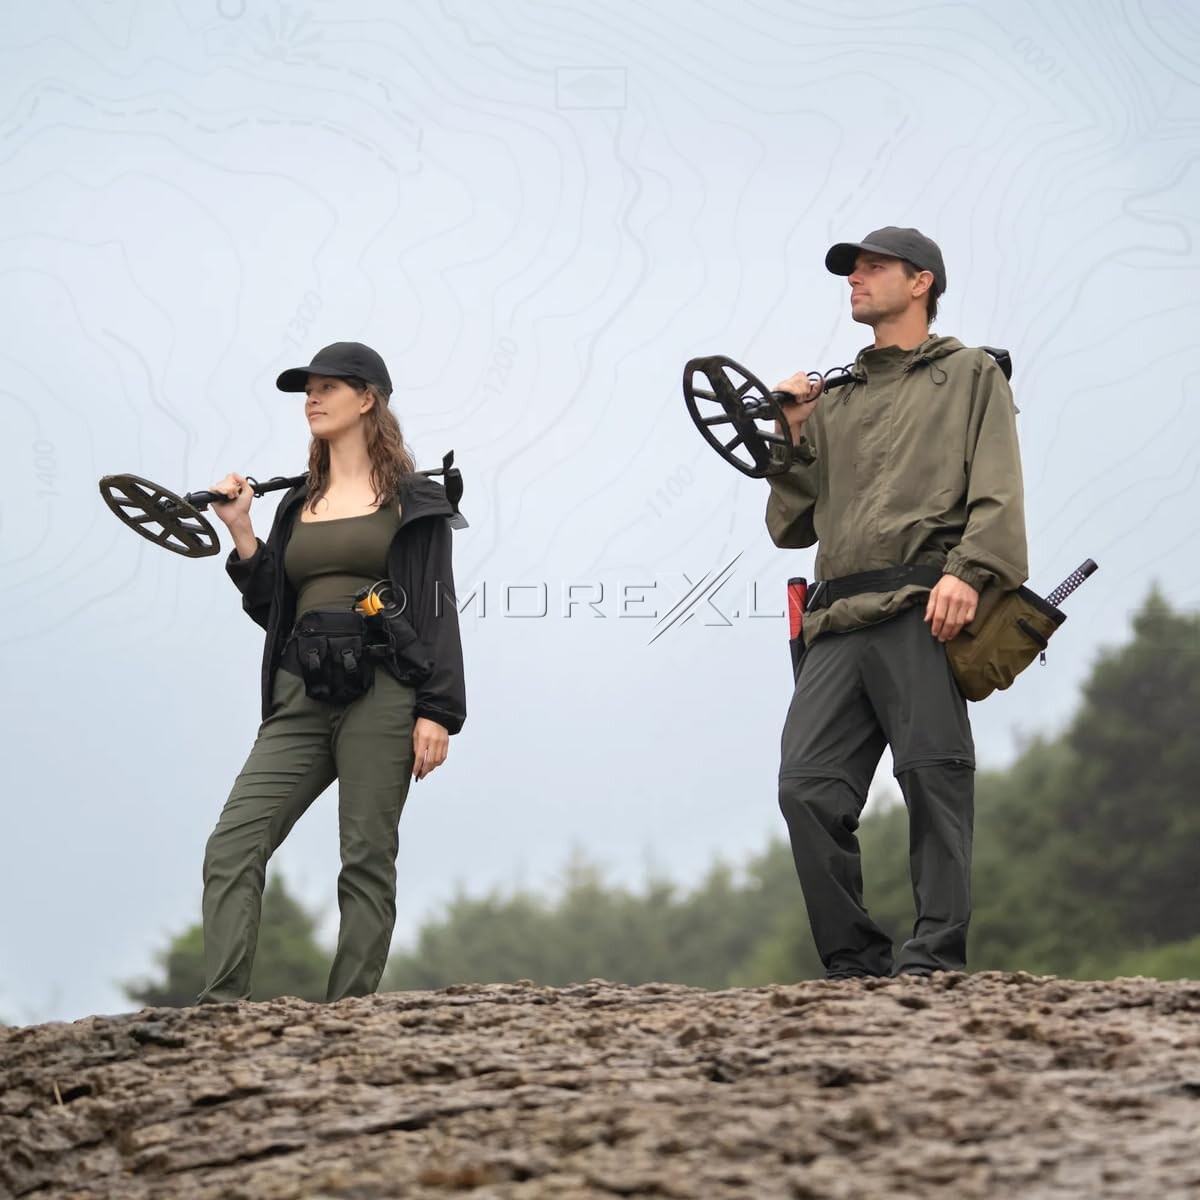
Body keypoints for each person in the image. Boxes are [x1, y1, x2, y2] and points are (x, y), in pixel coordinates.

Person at [767, 228, 1027, 978]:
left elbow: (999, 492)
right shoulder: (835, 399)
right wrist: (791, 434)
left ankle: (933, 958)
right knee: (806, 789)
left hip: (924, 605)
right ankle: (854, 962)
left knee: (933, 779)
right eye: (852, 271)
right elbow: (792, 525)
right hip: (835, 620)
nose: (855, 279)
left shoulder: (972, 374)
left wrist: (969, 573)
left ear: (921, 283)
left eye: (873, 268)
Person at [197, 341, 466, 1003]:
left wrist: (438, 710)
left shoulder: (415, 502)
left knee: (366, 858)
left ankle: (349, 1015)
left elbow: (436, 606)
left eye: (328, 388)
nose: (312, 400)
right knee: (231, 845)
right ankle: (219, 1011)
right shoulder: (297, 504)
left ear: (368, 399)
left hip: (385, 691)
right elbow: (276, 611)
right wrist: (242, 533)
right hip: (300, 694)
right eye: (307, 390)